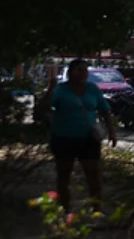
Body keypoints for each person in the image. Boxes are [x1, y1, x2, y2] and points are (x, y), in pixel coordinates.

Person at [36, 59, 118, 213]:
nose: (83, 74)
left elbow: (104, 110)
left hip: (88, 139)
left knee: (93, 175)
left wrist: (112, 132)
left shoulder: (93, 89)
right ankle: (65, 210)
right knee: (64, 176)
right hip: (63, 138)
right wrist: (50, 89)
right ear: (70, 72)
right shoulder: (60, 90)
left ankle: (97, 210)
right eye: (79, 70)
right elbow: (42, 108)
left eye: (85, 70)